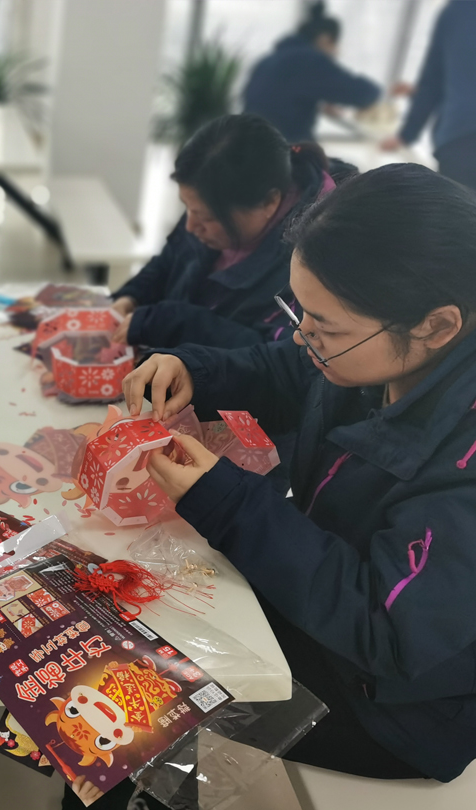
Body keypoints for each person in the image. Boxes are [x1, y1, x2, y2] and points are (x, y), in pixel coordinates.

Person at [67, 163, 476, 809]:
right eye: (299, 313)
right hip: (322, 610)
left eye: (325, 327)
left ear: (436, 325)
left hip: (391, 707)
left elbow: (390, 631)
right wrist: (196, 370)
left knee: (122, 690)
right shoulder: (379, 351)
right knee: (112, 615)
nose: (304, 336)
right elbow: (290, 368)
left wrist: (227, 501)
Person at [111, 114, 350, 351]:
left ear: (269, 202)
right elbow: (170, 260)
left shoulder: (312, 263)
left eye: (206, 217)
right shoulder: (211, 196)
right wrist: (132, 297)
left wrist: (173, 322)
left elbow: (279, 358)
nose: (190, 226)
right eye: (188, 208)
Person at [243, 1, 380, 144]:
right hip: (285, 147)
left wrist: (323, 98)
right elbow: (364, 93)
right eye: (335, 45)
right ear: (325, 39)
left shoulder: (269, 60)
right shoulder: (308, 60)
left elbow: (284, 98)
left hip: (252, 144)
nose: (336, 53)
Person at [382, 1, 476, 192]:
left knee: (460, 207)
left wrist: (406, 134)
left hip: (458, 140)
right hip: (459, 136)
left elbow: (433, 81)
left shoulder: (457, 11)